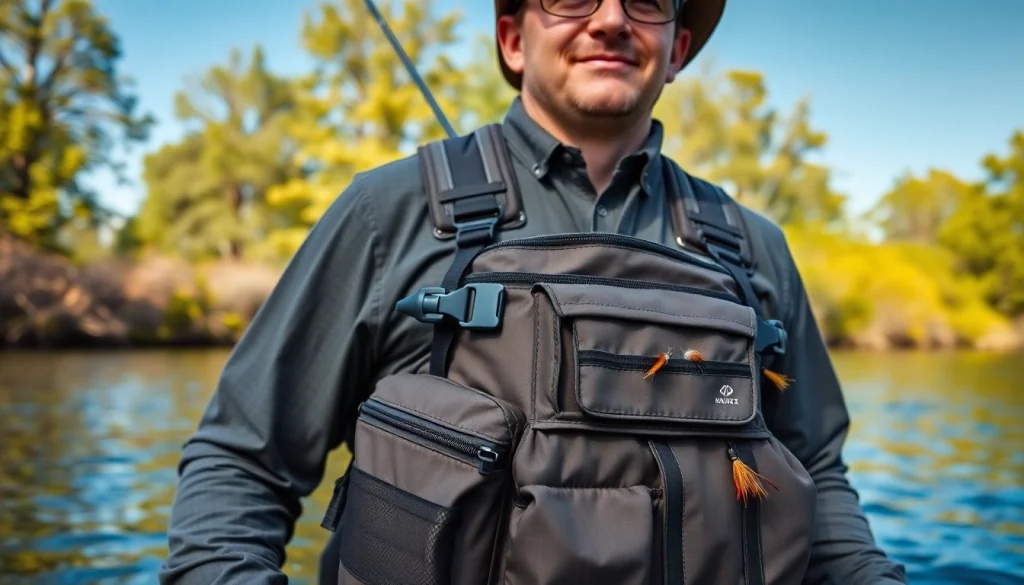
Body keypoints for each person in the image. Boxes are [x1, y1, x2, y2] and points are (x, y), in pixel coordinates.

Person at [160, 0, 909, 583]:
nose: (611, 19)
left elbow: (820, 487)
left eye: (647, 1)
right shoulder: (386, 213)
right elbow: (240, 468)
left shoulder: (756, 251)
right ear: (514, 40)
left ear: (676, 49)